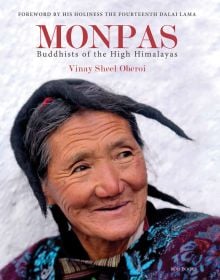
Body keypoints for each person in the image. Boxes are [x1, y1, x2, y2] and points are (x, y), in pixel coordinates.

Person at [0, 79, 219, 280]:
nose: (112, 187)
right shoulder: (31, 270)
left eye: (124, 154)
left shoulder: (204, 249)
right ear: (44, 188)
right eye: (81, 168)